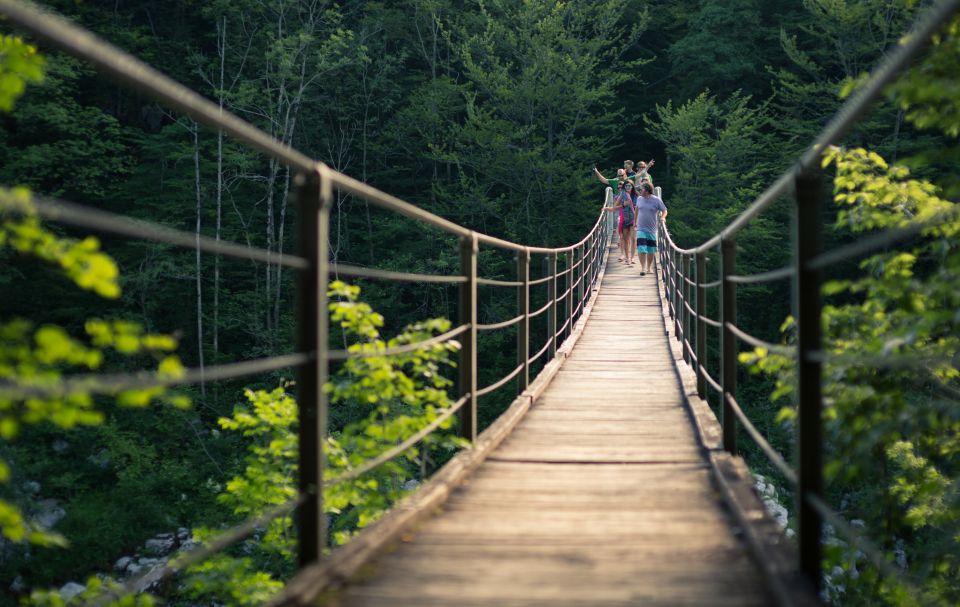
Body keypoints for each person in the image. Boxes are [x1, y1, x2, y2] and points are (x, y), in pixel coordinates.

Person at [634, 180, 667, 276]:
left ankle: (649, 267)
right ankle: (643, 268)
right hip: (641, 228)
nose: (640, 191)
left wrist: (663, 217)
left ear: (647, 191)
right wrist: (634, 222)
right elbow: (636, 209)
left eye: (642, 189)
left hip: (652, 229)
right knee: (641, 248)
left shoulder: (656, 200)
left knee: (651, 250)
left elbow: (664, 210)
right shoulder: (639, 199)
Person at [605, 180, 637, 264]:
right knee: (626, 239)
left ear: (632, 186)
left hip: (634, 219)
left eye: (629, 186)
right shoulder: (622, 195)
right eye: (626, 186)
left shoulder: (636, 195)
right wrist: (623, 205)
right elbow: (615, 206)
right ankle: (627, 258)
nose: (628, 187)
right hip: (625, 219)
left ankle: (632, 258)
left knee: (633, 239)